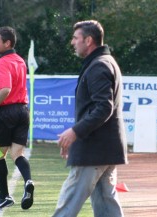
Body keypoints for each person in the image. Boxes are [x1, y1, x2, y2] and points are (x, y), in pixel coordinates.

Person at [53, 20, 128, 217]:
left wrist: (75, 132)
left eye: (76, 38)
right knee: (106, 204)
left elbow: (104, 107)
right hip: (105, 148)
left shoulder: (99, 66)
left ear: (88, 40)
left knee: (68, 203)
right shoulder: (104, 62)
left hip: (95, 149)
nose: (72, 42)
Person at [0, 26, 34, 210]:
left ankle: (4, 196)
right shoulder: (19, 60)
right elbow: (11, 86)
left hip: (6, 112)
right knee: (17, 154)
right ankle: (28, 182)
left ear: (7, 43)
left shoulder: (1, 62)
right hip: (23, 111)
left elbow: (6, 89)